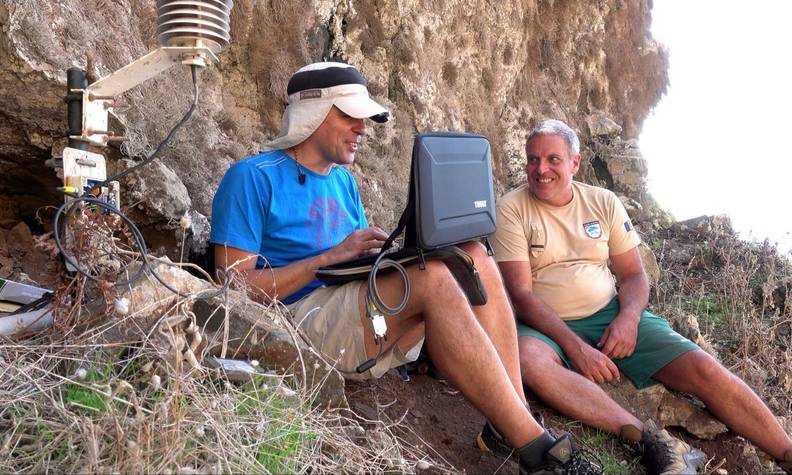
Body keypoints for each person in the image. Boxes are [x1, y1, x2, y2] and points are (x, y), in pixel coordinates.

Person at [209, 63, 600, 473]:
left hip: (350, 302)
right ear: (314, 112)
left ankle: (512, 416)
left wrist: (387, 254)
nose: (362, 128)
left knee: (473, 257)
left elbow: (353, 263)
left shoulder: (342, 183)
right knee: (431, 278)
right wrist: (329, 258)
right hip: (295, 319)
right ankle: (540, 454)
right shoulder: (252, 177)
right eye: (350, 116)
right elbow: (234, 289)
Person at [490, 118, 792, 474]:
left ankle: (786, 451)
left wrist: (628, 320)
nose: (541, 169)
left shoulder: (602, 202)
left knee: (703, 368)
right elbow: (522, 296)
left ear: (574, 162)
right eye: (532, 159)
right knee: (528, 361)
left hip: (608, 312)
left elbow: (634, 275)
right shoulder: (510, 208)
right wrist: (576, 348)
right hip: (544, 327)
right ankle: (651, 440)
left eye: (553, 159)